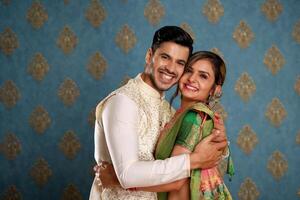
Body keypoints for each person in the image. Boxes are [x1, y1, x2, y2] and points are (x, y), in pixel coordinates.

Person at [89, 26, 228, 200]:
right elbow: (128, 175)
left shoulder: (170, 112)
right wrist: (195, 160)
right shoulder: (123, 102)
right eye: (165, 57)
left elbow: (182, 176)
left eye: (180, 63)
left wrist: (220, 143)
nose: (171, 68)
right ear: (149, 55)